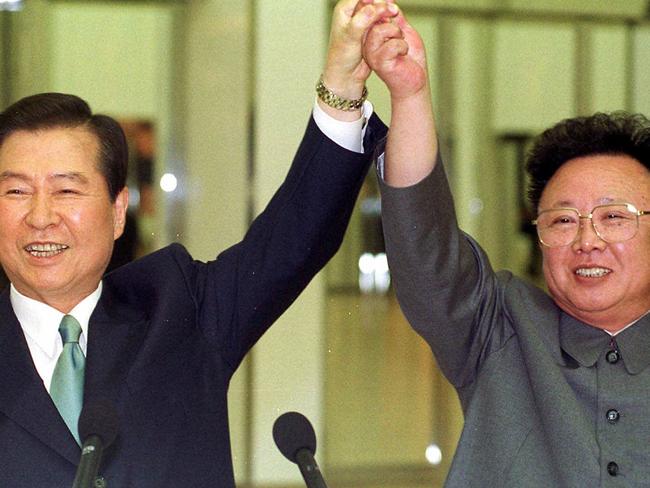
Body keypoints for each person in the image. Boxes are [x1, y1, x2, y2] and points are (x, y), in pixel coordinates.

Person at [0, 1, 397, 486]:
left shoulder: (178, 308)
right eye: (16, 191)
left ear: (118, 211)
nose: (41, 217)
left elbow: (293, 240)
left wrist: (341, 90)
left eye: (66, 190)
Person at [359, 7, 650, 487]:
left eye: (613, 217)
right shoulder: (500, 327)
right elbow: (424, 246)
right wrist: (409, 94)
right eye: (561, 220)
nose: (585, 241)